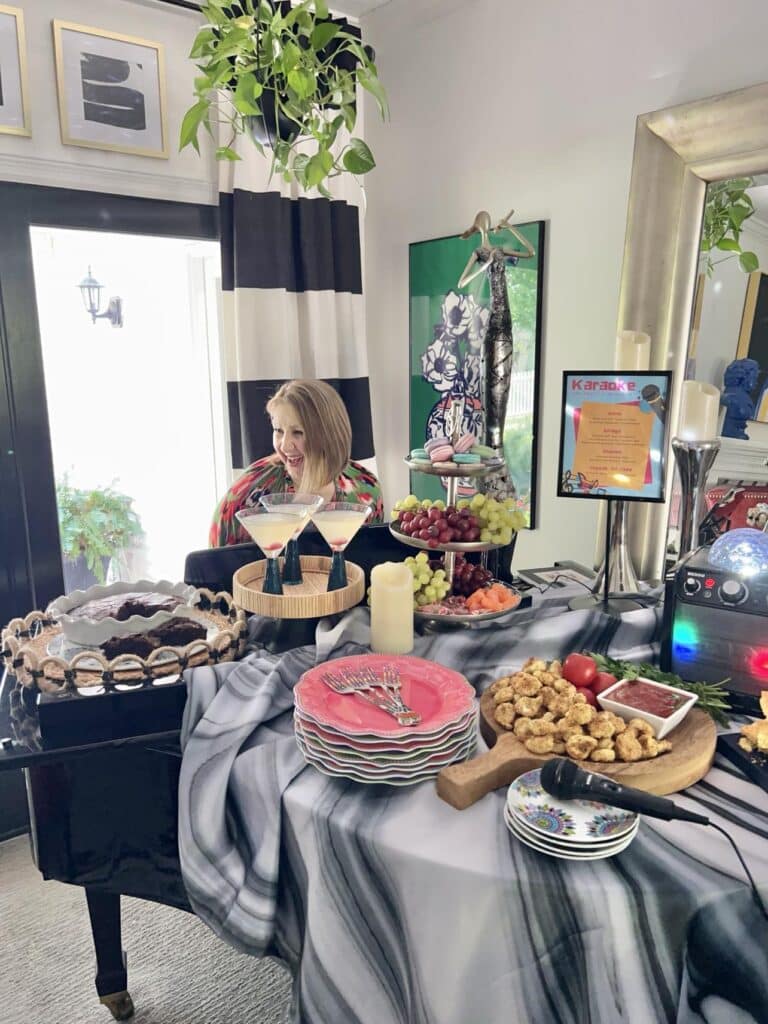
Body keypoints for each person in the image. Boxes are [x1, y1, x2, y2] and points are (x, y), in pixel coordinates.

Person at [210, 379, 384, 546]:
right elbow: (214, 565)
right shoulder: (246, 494)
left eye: (298, 432)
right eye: (278, 430)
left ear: (330, 436)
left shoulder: (367, 490)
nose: (285, 445)